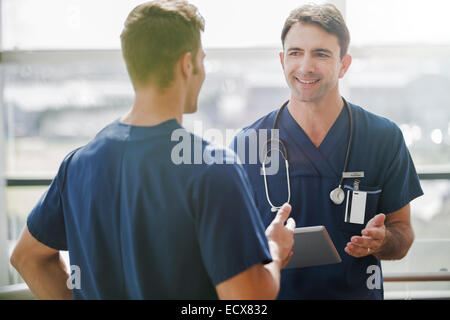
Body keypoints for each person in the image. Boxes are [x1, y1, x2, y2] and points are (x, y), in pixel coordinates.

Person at [10, 0, 295, 300]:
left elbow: (27, 257)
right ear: (188, 65)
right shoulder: (213, 168)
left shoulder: (78, 163)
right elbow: (246, 301)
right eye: (202, 59)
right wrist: (275, 249)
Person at [230, 3, 423, 299]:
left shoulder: (383, 138)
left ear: (343, 64)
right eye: (295, 53)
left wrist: (383, 241)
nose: (305, 66)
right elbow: (230, 247)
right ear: (282, 61)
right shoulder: (246, 145)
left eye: (320, 54)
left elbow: (403, 233)